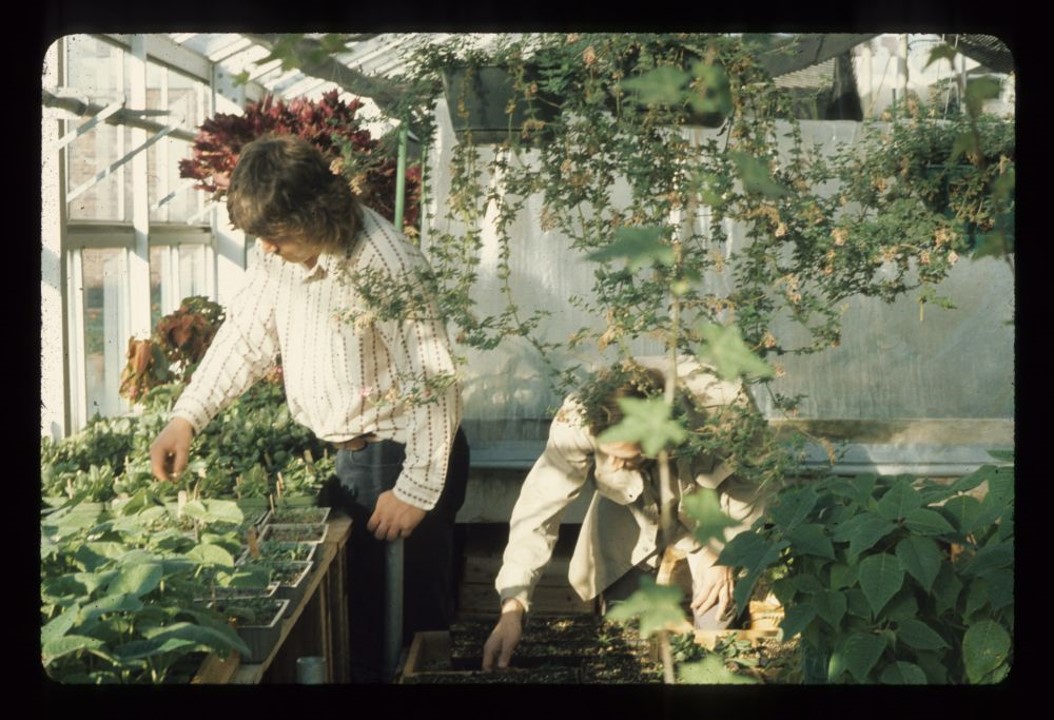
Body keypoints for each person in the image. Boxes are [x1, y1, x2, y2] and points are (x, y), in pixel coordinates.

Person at [148, 134, 469, 683]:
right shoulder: (283, 256)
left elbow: (434, 381)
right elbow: (246, 337)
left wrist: (416, 490)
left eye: (274, 236)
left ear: (317, 211)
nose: (266, 249)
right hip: (358, 457)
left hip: (401, 455)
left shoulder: (384, 262)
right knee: (365, 630)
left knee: (412, 635)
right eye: (261, 238)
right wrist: (186, 416)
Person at [481, 355, 767, 671]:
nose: (614, 464)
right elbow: (537, 512)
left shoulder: (725, 406)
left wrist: (725, 553)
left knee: (717, 617)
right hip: (630, 505)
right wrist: (513, 605)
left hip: (713, 505)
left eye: (624, 456)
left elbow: (751, 484)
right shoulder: (575, 422)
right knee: (623, 633)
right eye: (607, 455)